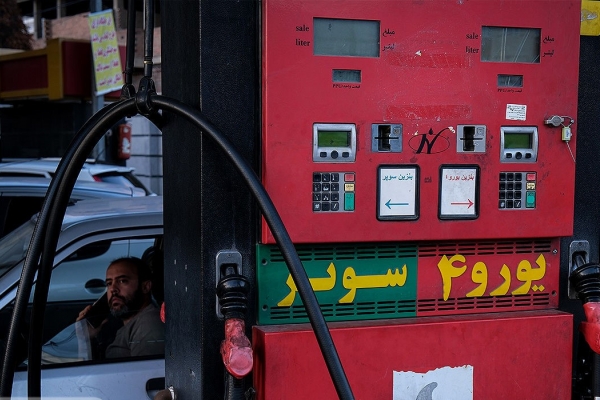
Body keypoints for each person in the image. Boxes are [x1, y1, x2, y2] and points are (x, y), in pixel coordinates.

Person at [77, 256, 165, 358]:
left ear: (145, 287)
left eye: (122, 281)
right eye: (109, 283)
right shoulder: (131, 324)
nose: (113, 289)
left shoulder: (147, 325)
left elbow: (149, 368)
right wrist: (85, 339)